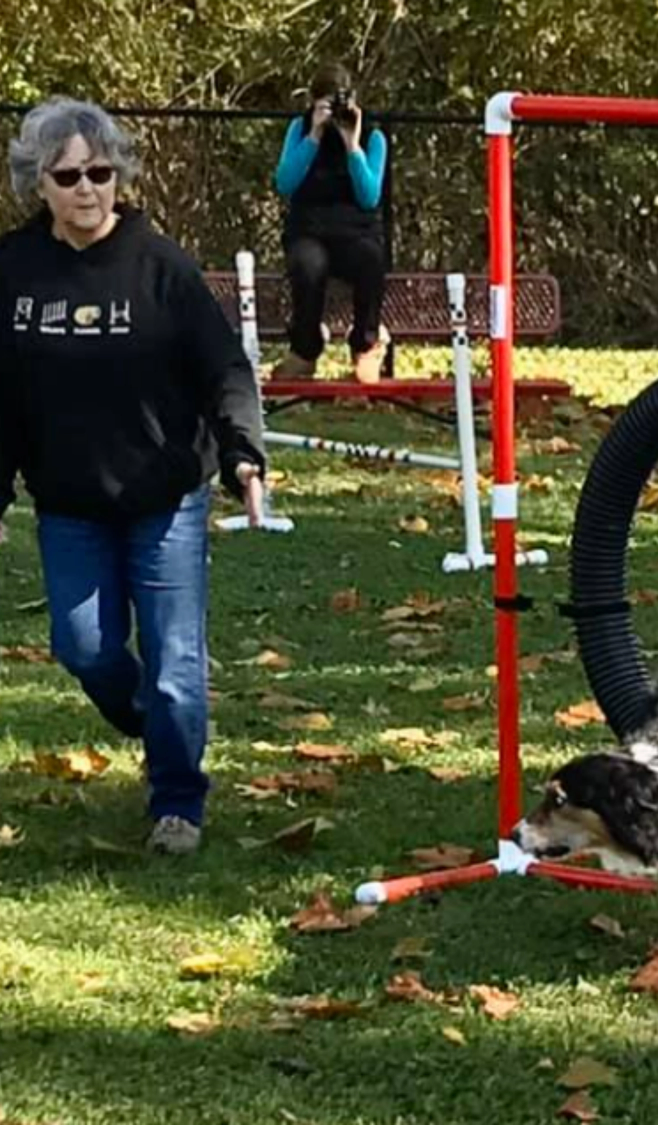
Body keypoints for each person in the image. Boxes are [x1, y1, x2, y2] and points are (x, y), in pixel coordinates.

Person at [0, 97, 268, 855]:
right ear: (38, 184)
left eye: (101, 171)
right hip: (70, 501)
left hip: (166, 494)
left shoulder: (162, 267)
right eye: (69, 175)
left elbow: (224, 369)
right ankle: (155, 716)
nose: (88, 188)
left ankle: (177, 800)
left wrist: (243, 452)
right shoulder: (13, 273)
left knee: (177, 658)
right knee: (84, 648)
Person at [269, 62, 390, 382]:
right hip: (309, 229)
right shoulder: (300, 128)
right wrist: (314, 135)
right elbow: (285, 183)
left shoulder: (373, 134)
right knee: (307, 264)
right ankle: (305, 350)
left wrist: (352, 145)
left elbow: (369, 196)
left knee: (371, 258)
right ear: (312, 102)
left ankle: (366, 344)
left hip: (355, 231)